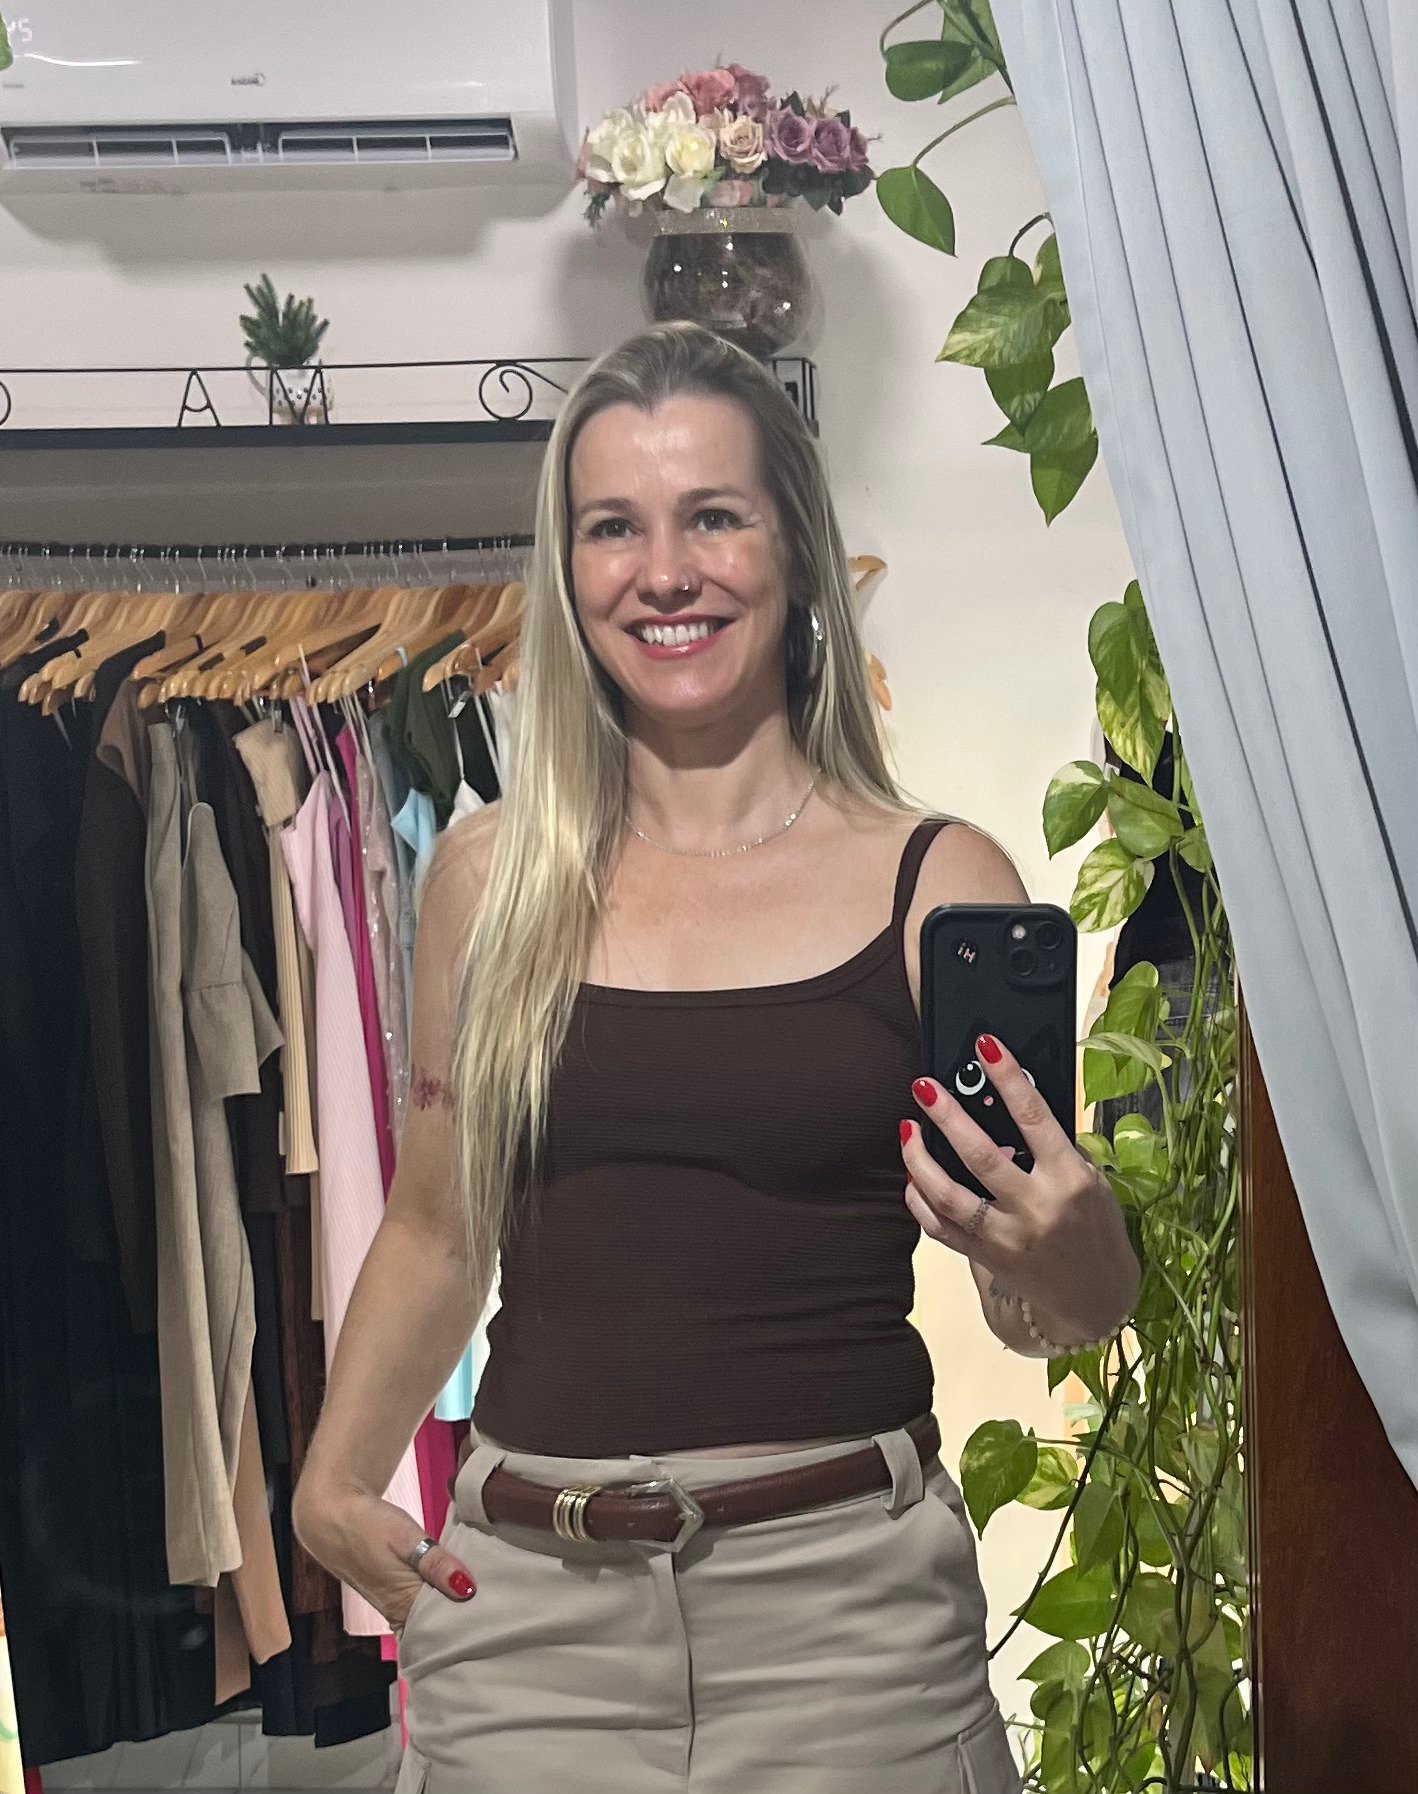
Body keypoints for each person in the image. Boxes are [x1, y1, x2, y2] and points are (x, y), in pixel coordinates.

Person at [292, 322, 1140, 1794]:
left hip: (846, 1629)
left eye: (713, 518)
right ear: (567, 569)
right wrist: (330, 1474)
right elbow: (437, 1226)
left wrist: (1080, 1256)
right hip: (529, 1620)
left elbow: (1042, 1301)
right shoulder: (486, 878)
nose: (663, 571)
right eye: (612, 527)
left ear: (794, 550)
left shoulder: (937, 883)